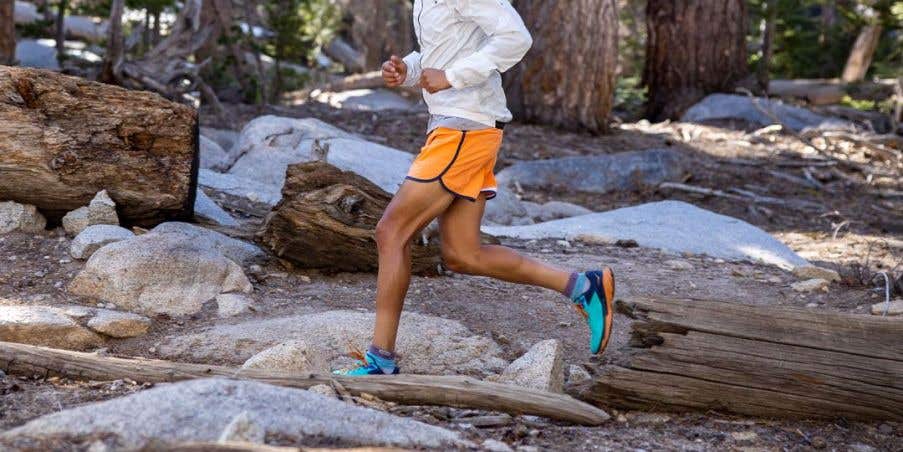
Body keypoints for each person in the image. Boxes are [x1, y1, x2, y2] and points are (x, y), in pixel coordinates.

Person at [337, 0, 615, 376]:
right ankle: (584, 287)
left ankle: (380, 358)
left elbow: (516, 37)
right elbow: (446, 49)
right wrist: (407, 70)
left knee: (391, 232)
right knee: (463, 254)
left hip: (465, 127)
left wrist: (453, 76)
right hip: (457, 126)